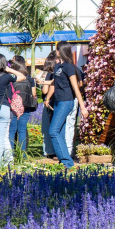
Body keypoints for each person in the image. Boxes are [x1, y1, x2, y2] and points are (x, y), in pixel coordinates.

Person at [47, 41, 87, 169]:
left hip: (66, 102)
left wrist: (82, 106)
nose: (56, 52)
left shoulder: (69, 66)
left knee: (53, 131)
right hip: (58, 102)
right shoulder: (58, 67)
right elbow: (54, 83)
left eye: (57, 50)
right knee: (59, 132)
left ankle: (67, 162)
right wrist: (43, 83)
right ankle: (65, 161)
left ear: (60, 51)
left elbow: (76, 87)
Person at [7, 56, 35, 152]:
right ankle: (22, 155)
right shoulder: (29, 79)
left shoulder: (11, 77)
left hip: (12, 107)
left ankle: (10, 154)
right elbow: (34, 94)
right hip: (26, 106)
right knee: (22, 131)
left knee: (12, 131)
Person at [39, 52, 57, 158]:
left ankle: (49, 151)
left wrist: (42, 84)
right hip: (59, 101)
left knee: (47, 128)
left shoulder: (49, 74)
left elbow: (45, 91)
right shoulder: (60, 72)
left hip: (48, 102)